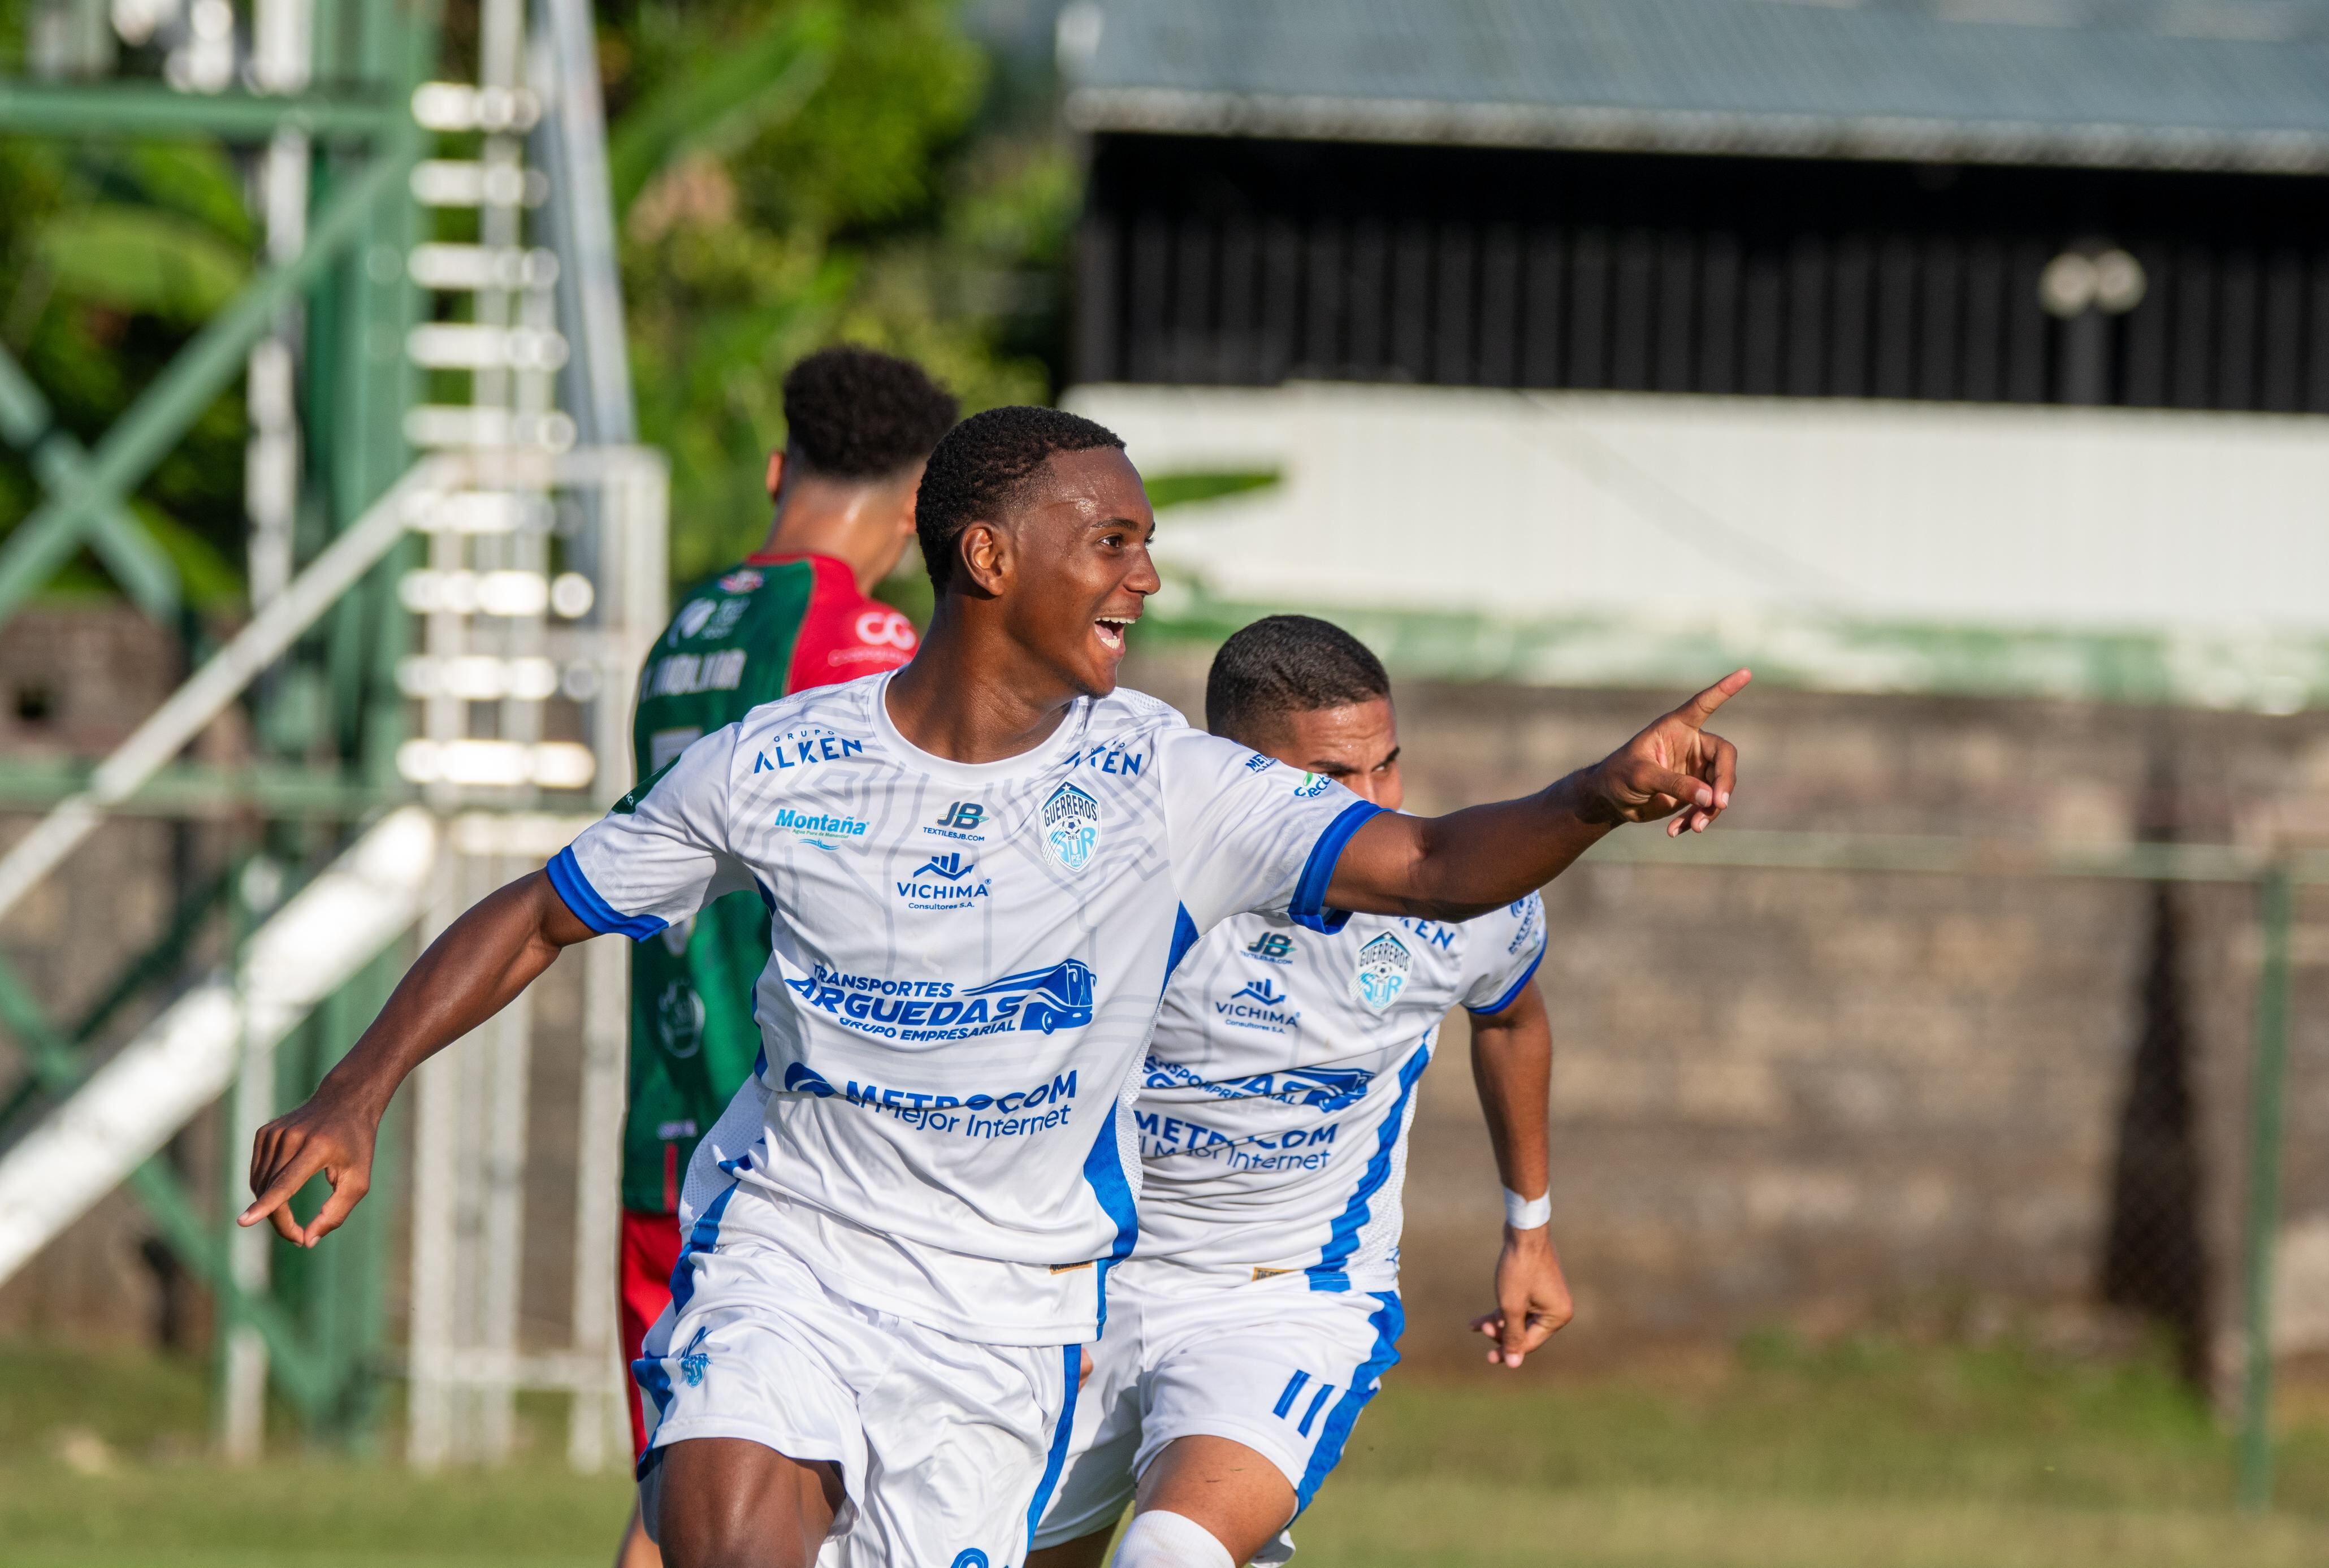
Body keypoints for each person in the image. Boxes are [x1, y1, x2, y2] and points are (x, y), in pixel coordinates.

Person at [242, 405, 1745, 1568]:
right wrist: (354, 1087)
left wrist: (1600, 792)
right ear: (989, 555)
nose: (1146, 574)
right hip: (802, 1238)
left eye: (1148, 543)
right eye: (1112, 539)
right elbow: (545, 909)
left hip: (1011, 1318)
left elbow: (1428, 863)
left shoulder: (1165, 778)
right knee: (729, 1518)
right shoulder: (785, 760)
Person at [1029, 616, 1571, 1568]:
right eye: (1329, 781)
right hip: (1076, 1295)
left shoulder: (1455, 901)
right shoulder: (1121, 886)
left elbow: (1512, 1018)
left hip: (1284, 1299)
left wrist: (1530, 1227)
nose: (1370, 806)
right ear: (1228, 778)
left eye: (1386, 767)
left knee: (1169, 1554)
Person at [611, 346, 958, 1568]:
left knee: (677, 1505)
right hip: (788, 1158)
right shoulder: (861, 638)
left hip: (664, 1110)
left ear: (776, 469)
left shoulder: (687, 624)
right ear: (920, 512)